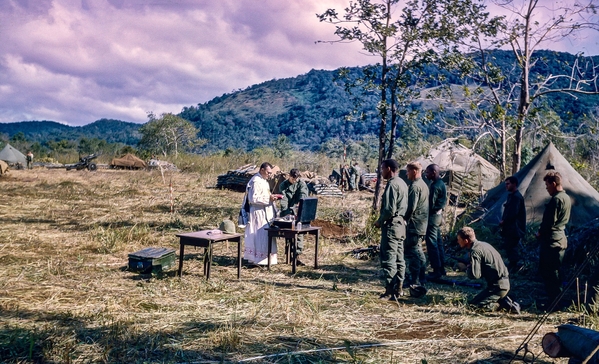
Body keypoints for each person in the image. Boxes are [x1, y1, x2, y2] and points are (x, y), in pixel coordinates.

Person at [457, 227, 519, 313]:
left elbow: (475, 275)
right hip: (502, 284)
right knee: (475, 302)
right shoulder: (484, 245)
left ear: (466, 241)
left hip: (498, 287)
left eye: (459, 239)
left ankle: (505, 305)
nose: (458, 241)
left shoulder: (475, 251)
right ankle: (505, 299)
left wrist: (465, 268)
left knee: (474, 306)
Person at [374, 159, 408, 299]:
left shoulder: (392, 185)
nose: (381, 172)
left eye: (382, 169)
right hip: (400, 225)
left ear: (389, 168)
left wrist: (379, 221)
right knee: (400, 258)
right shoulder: (402, 183)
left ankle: (390, 290)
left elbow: (388, 209)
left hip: (391, 225)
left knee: (389, 258)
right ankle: (399, 288)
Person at [536, 171, 571, 307]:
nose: (546, 188)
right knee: (555, 271)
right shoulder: (566, 197)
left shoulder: (556, 199)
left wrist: (540, 233)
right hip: (560, 238)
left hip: (552, 240)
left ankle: (554, 302)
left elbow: (549, 222)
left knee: (550, 272)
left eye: (547, 185)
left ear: (554, 184)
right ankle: (556, 299)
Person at [243, 162, 280, 266]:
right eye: (268, 172)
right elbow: (253, 198)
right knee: (258, 235)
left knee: (265, 235)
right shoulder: (255, 181)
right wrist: (269, 198)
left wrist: (272, 197)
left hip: (265, 213)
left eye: (270, 173)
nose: (269, 175)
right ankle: (256, 260)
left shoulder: (264, 181)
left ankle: (266, 259)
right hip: (257, 212)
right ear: (262, 170)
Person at [404, 161, 429, 286]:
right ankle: (421, 277)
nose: (407, 174)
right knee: (418, 251)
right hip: (421, 224)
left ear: (414, 171)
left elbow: (411, 207)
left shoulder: (415, 186)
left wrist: (404, 218)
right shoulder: (424, 185)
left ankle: (414, 279)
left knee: (413, 252)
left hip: (414, 225)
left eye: (408, 171)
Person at [279, 168, 309, 265]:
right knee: (288, 235)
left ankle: (297, 255)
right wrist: (286, 212)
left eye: (296, 179)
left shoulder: (301, 183)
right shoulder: (283, 185)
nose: (294, 180)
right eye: (293, 178)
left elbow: (303, 194)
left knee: (299, 234)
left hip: (298, 212)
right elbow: (283, 200)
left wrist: (300, 204)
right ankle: (289, 256)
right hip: (287, 212)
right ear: (289, 176)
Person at [424, 164, 447, 280]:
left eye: (427, 172)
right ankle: (442, 267)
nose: (426, 175)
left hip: (432, 218)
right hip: (438, 217)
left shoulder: (435, 186)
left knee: (432, 244)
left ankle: (436, 270)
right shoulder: (440, 183)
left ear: (434, 172)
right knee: (438, 242)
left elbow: (430, 205)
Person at [499, 176, 526, 272]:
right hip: (510, 228)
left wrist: (504, 221)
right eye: (506, 184)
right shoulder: (512, 196)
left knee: (512, 247)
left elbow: (513, 213)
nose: (506, 186)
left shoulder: (516, 197)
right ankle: (512, 264)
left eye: (508, 184)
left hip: (514, 228)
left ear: (514, 184)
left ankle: (515, 266)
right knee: (509, 246)